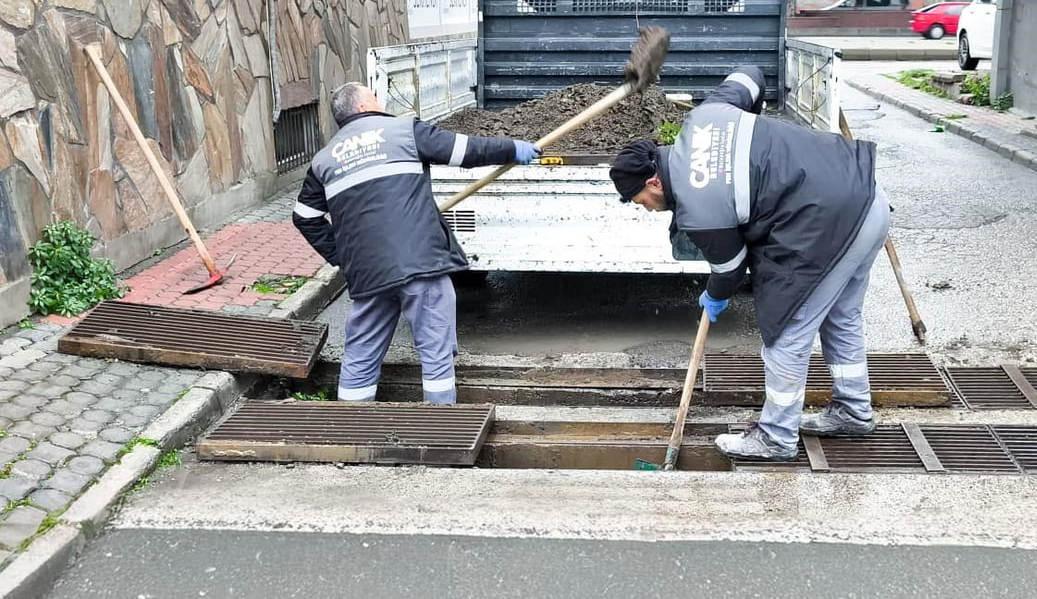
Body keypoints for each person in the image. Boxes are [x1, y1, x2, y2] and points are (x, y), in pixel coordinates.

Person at [609, 66, 889, 462]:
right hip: (867, 197)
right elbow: (749, 75)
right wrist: (750, 129)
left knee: (786, 334)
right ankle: (852, 412)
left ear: (654, 182)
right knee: (840, 316)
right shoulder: (706, 116)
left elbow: (731, 267)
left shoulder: (697, 206)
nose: (647, 209)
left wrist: (713, 297)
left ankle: (776, 437)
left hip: (827, 223)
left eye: (640, 200)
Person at [293, 82, 540, 404]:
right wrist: (511, 149)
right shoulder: (403, 131)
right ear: (365, 107)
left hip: (368, 273)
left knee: (361, 353)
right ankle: (440, 428)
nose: (380, 102)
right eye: (374, 97)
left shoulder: (324, 160)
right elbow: (466, 150)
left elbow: (304, 217)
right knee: (435, 350)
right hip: (420, 264)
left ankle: (351, 424)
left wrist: (343, 257)